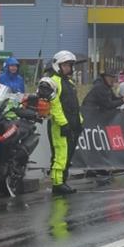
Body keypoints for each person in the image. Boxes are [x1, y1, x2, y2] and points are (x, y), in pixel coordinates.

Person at [42, 50, 83, 196]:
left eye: (70, 65)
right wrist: (63, 124)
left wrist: (79, 122)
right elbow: (55, 106)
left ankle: (63, 180)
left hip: (73, 125)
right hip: (60, 126)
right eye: (66, 65)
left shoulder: (70, 83)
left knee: (68, 155)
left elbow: (74, 105)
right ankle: (57, 184)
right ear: (58, 65)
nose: (69, 68)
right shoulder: (52, 81)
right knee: (60, 154)